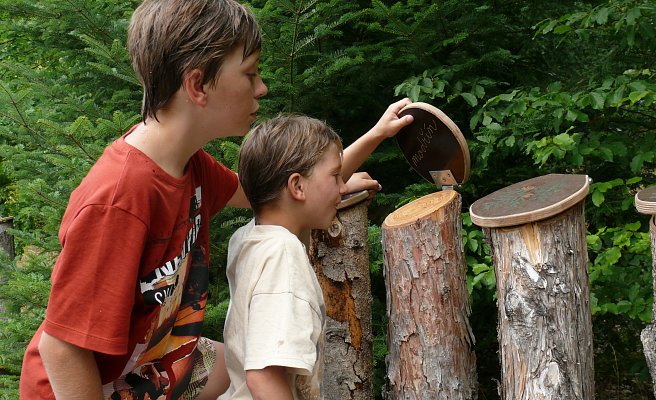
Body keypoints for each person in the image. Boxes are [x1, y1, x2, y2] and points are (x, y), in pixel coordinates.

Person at [18, 0, 412, 398]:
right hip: (81, 386)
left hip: (152, 364)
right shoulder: (121, 198)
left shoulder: (192, 166)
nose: (262, 88)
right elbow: (62, 348)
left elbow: (276, 191)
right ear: (198, 85)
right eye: (249, 73)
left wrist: (351, 161)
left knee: (237, 362)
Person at [220, 113, 409, 400]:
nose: (343, 187)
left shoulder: (252, 237)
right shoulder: (283, 256)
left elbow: (296, 199)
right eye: (335, 177)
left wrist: (377, 133)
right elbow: (265, 378)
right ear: (297, 187)